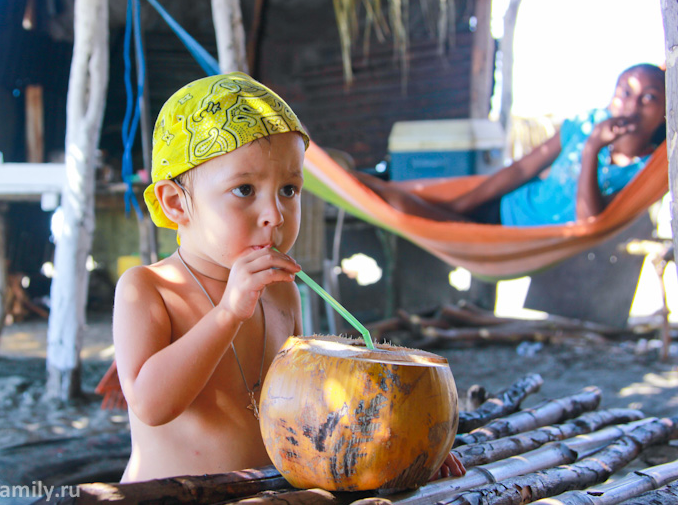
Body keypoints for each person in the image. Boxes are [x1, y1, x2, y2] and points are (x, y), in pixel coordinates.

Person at [112, 72, 466, 483]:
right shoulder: (147, 289)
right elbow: (151, 406)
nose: (275, 215)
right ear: (176, 203)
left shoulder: (281, 295)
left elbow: (307, 404)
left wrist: (408, 444)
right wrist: (228, 312)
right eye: (245, 190)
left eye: (289, 190)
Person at [355, 63, 666, 226]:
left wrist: (592, 149)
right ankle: (342, 177)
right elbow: (521, 170)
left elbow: (588, 223)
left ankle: (350, 178)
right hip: (503, 206)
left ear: (666, 111)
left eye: (649, 98)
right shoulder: (586, 122)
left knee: (402, 206)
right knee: (412, 193)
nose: (632, 105)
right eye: (624, 92)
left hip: (510, 237)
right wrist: (461, 204)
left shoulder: (649, 170)